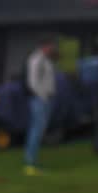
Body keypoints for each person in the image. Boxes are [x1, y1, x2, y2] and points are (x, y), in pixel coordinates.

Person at [24, 39, 57, 176]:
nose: (52, 48)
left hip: (46, 99)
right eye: (51, 46)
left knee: (39, 130)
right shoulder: (37, 59)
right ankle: (30, 164)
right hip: (40, 99)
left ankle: (33, 160)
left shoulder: (46, 59)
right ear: (44, 46)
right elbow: (33, 83)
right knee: (36, 130)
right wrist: (43, 97)